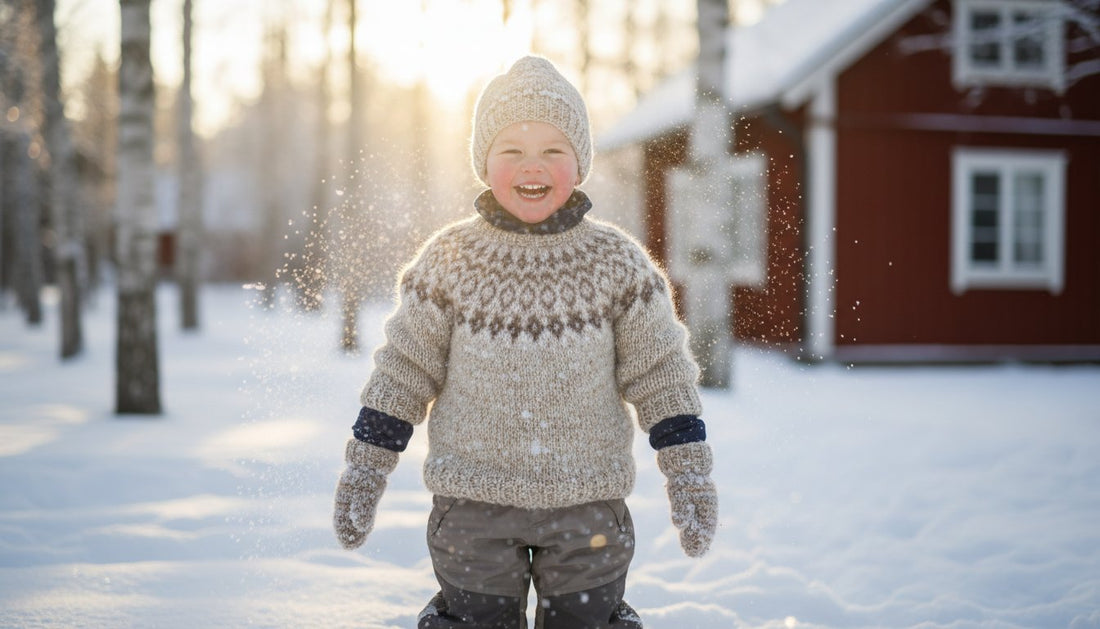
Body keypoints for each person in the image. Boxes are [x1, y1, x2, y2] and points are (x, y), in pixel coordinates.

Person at [332, 55, 718, 629]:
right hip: (473, 507)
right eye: (511, 150)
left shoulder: (616, 265)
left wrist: (688, 473)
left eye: (553, 150)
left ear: (580, 164)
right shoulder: (449, 262)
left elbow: (661, 374)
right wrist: (366, 469)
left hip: (587, 508)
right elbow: (404, 372)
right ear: (484, 164)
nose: (531, 165)